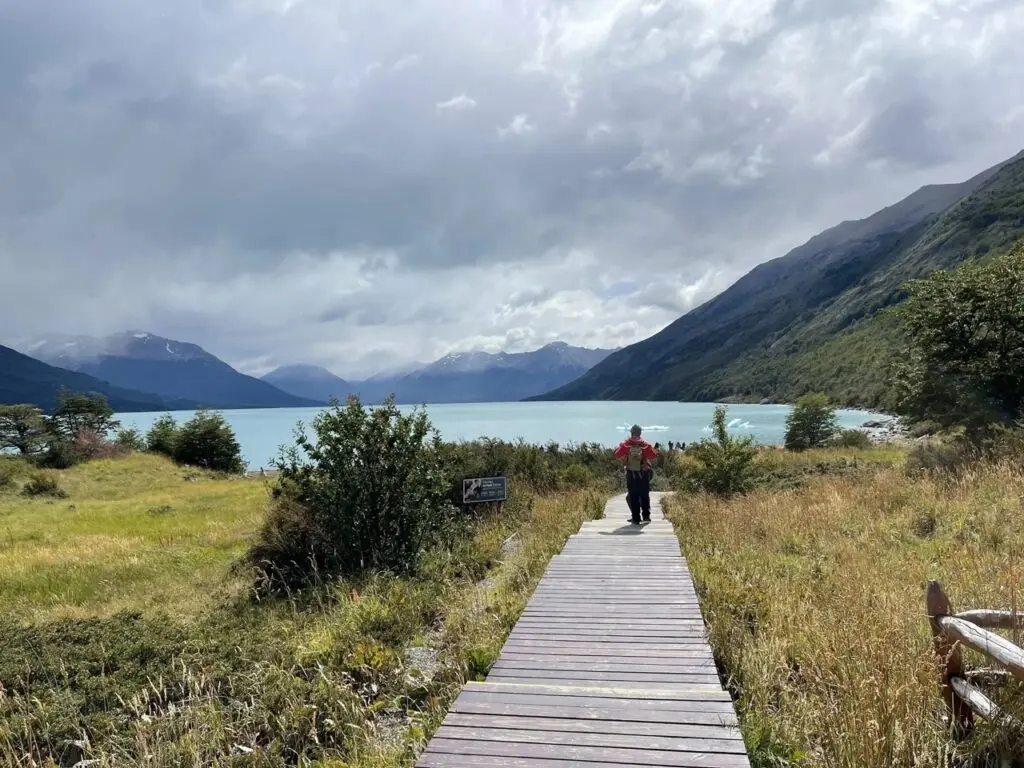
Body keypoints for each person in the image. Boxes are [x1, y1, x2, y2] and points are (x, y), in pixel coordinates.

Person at [613, 424, 658, 524]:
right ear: (640, 433)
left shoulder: (626, 444)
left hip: (631, 473)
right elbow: (654, 455)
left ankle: (636, 518)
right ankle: (646, 516)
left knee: (633, 496)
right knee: (644, 495)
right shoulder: (645, 444)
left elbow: (617, 455)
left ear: (631, 433)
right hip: (644, 472)